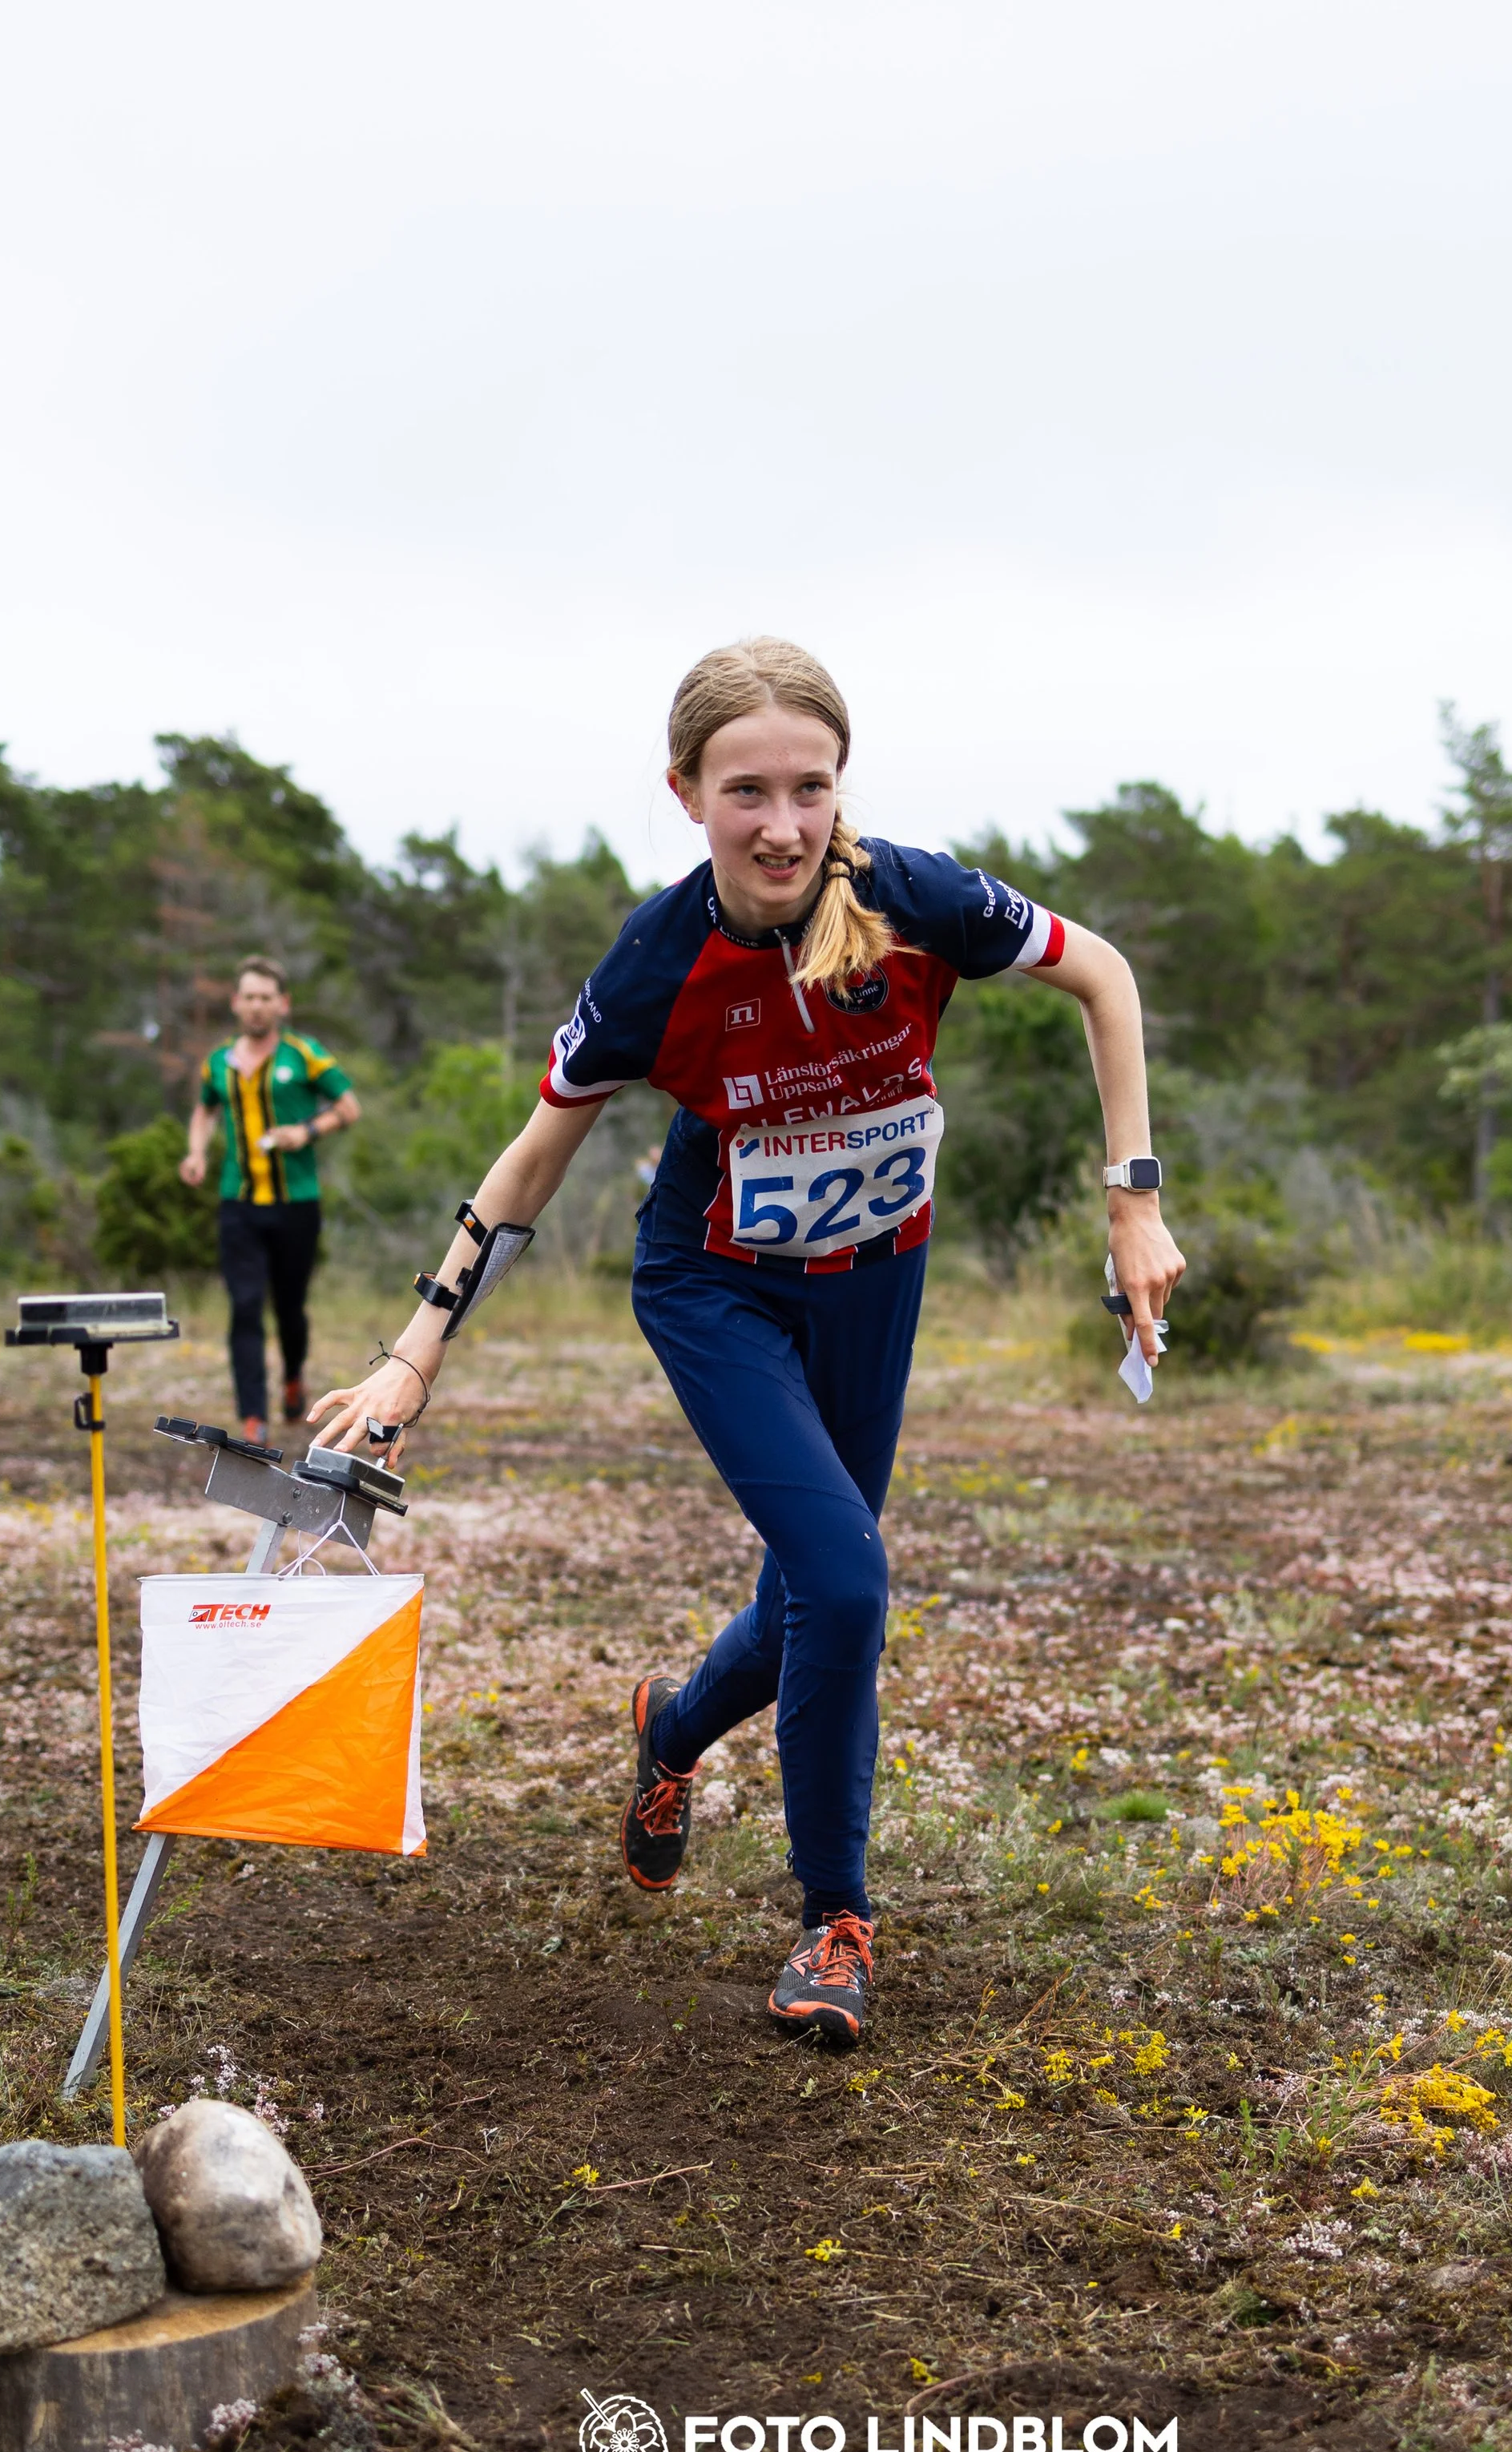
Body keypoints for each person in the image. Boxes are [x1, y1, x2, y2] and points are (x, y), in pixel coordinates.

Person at [309, 640, 1181, 2045]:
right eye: (748, 793)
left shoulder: (914, 897)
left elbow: (1109, 978)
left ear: (843, 788)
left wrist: (1132, 1201)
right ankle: (835, 1920)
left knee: (813, 1590)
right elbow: (532, 1160)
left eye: (812, 789)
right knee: (845, 1582)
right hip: (716, 1289)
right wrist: (420, 1349)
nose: (784, 824)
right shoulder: (656, 967)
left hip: (875, 1280)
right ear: (688, 794)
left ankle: (672, 1728)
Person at [180, 956, 362, 1445]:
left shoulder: (304, 1055)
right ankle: (253, 1418)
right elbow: (204, 1111)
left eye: (267, 997)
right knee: (243, 1304)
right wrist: (196, 1152)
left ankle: (293, 1378)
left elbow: (349, 1108)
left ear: (282, 1004)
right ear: (236, 1003)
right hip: (238, 1204)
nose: (257, 1006)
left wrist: (306, 1132)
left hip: (296, 1203)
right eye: (249, 997)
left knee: (289, 1308)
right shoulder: (218, 1061)